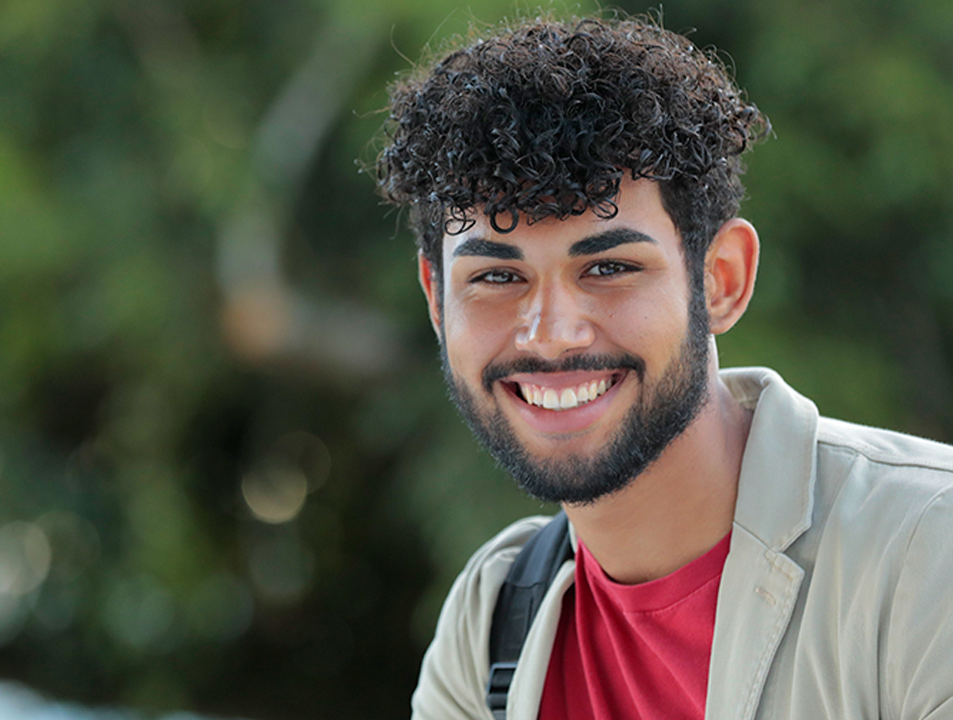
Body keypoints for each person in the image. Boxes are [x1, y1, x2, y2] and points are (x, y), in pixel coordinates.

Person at [373, 13, 953, 720]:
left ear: (722, 280)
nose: (551, 335)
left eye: (610, 267)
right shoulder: (493, 616)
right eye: (497, 279)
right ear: (438, 301)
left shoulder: (928, 553)